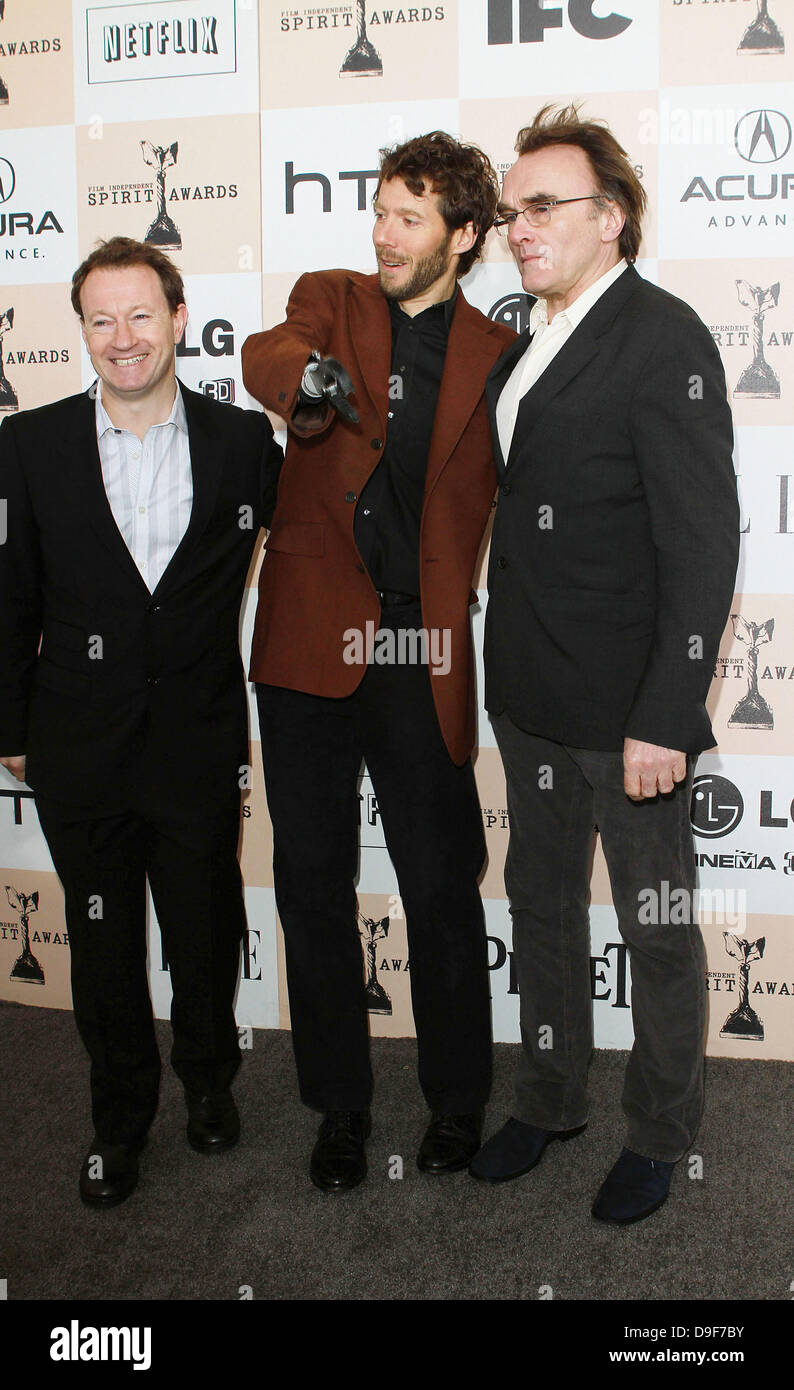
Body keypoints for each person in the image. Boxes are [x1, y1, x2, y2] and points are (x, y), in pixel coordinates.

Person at [470, 106, 739, 1224]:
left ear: (611, 217)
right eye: (508, 212)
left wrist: (666, 715)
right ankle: (547, 1096)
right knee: (538, 910)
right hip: (530, 699)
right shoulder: (525, 336)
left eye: (543, 206)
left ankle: (662, 1132)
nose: (517, 228)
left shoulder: (662, 335)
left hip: (628, 711)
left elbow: (700, 540)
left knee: (657, 924)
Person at [242, 131, 515, 1191]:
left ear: (464, 235)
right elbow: (269, 354)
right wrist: (303, 374)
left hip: (416, 641)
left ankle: (456, 1101)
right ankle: (338, 1109)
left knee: (441, 884)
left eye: (408, 217)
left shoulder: (498, 352)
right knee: (311, 885)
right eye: (380, 211)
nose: (383, 233)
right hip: (309, 637)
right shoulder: (334, 299)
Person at [0, 237, 282, 1207]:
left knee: (204, 932)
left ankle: (208, 1085)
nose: (123, 339)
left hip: (197, 746)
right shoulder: (28, 445)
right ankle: (118, 1120)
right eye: (100, 320)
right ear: (81, 330)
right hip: (78, 750)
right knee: (104, 941)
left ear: (175, 316)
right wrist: (11, 729)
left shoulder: (244, 444)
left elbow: (319, 538)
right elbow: (10, 598)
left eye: (140, 314)